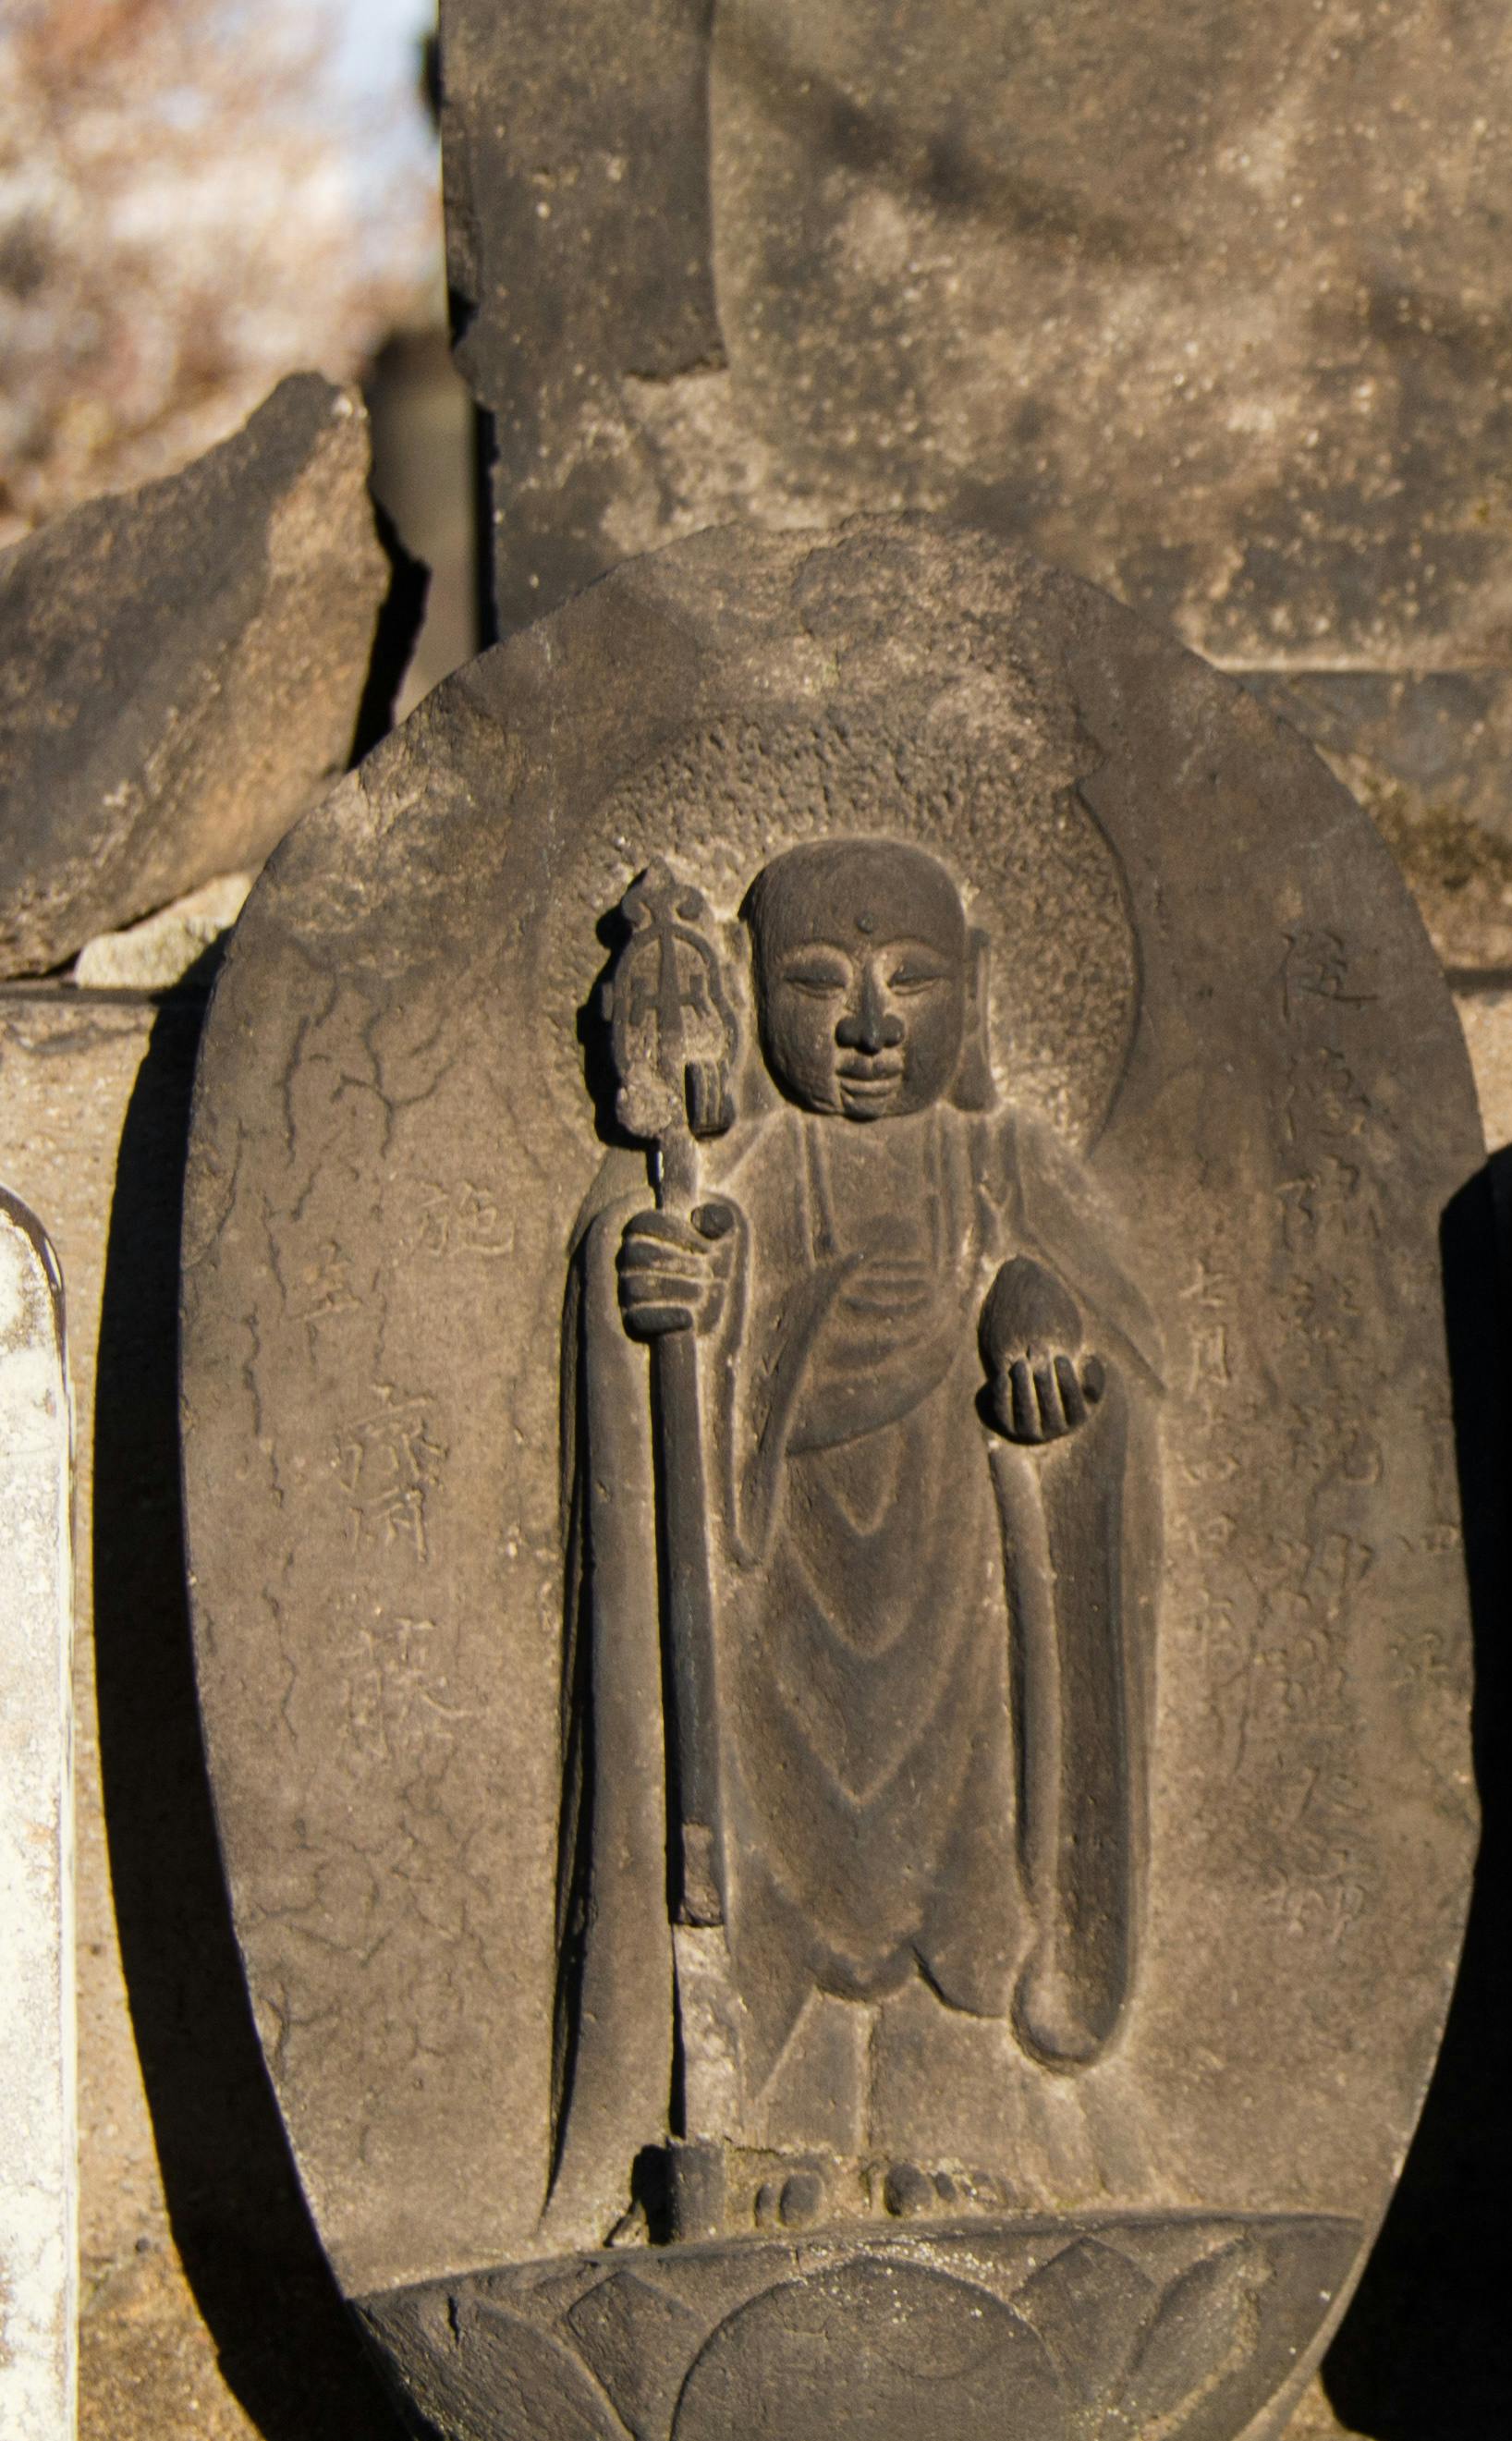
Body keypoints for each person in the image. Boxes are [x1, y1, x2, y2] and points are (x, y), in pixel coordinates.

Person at [546, 835, 1163, 2241]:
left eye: (913, 984)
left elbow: (1116, 1379)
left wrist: (1040, 1324)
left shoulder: (1002, 1165)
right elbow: (655, 1369)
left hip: (963, 1606)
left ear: (976, 996)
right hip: (779, 1601)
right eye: (819, 983)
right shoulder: (729, 1175)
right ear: (754, 996)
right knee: (788, 1869)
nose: (871, 1028)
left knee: (958, 1869)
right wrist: (656, 1301)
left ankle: (962, 2124)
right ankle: (778, 2137)